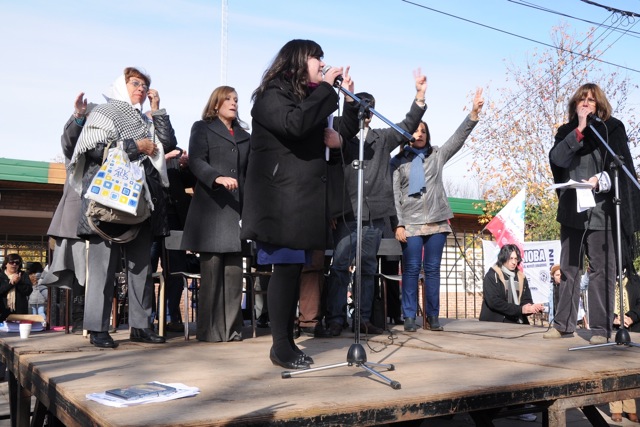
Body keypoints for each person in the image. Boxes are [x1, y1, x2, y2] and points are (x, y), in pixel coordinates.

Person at [241, 39, 359, 370]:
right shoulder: (271, 95)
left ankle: (287, 342)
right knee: (285, 269)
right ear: (296, 60)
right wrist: (326, 90)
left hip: (300, 201)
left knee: (295, 271)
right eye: (316, 57)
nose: (322, 63)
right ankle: (281, 345)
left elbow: (338, 133)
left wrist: (348, 101)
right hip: (278, 201)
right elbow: (295, 125)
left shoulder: (310, 98)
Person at [68, 67, 177, 348]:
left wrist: (157, 110)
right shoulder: (103, 113)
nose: (141, 88)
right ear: (121, 84)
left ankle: (140, 326)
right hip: (107, 203)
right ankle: (97, 328)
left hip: (140, 203)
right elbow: (93, 149)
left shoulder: (145, 120)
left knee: (141, 269)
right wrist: (135, 146)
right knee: (102, 269)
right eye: (135, 83)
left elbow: (167, 144)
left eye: (145, 85)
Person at [325, 71, 427, 337]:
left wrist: (419, 96)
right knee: (339, 266)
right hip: (347, 213)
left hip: (373, 215)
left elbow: (407, 125)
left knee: (368, 268)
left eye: (369, 108)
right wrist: (331, 209)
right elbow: (330, 175)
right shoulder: (341, 136)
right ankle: (335, 319)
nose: (366, 113)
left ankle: (363, 319)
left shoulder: (382, 138)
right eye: (363, 107)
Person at [546, 83, 640, 344]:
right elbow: (557, 159)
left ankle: (600, 328)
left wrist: (600, 179)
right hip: (572, 210)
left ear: (599, 105)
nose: (586, 103)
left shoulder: (612, 130)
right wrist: (579, 129)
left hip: (602, 211)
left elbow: (621, 167)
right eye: (581, 100)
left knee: (601, 270)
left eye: (591, 100)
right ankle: (563, 324)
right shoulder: (566, 132)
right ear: (575, 105)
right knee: (569, 268)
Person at [392, 88, 484, 332]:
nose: (419, 134)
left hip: (437, 221)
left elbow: (457, 138)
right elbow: (394, 195)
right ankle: (409, 316)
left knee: (433, 270)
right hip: (410, 223)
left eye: (423, 131)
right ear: (407, 134)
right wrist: (398, 223)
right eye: (415, 130)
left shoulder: (437, 155)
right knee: (411, 269)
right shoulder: (397, 162)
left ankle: (433, 316)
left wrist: (473, 114)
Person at [181, 86, 250, 342]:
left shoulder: (245, 136)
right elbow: (196, 161)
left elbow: (249, 173)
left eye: (236, 99)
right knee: (211, 275)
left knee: (234, 276)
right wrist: (216, 177)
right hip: (210, 212)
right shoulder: (202, 128)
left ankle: (232, 330)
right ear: (216, 103)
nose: (233, 103)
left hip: (237, 212)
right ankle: (210, 331)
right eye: (228, 99)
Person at [40, 92, 94, 334]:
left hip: (102, 220)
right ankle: (80, 320)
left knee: (96, 274)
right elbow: (69, 141)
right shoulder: (78, 147)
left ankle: (93, 321)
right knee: (79, 273)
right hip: (76, 220)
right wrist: (79, 116)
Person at [150, 145, 194, 332]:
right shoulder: (145, 148)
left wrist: (186, 167)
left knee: (176, 269)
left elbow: (189, 182)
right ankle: (147, 318)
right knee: (147, 269)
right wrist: (162, 159)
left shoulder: (177, 152)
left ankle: (169, 316)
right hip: (150, 218)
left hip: (175, 219)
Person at [479, 244, 545, 323]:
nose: (514, 262)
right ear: (503, 258)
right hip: (496, 323)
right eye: (511, 258)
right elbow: (494, 302)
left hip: (517, 322)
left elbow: (526, 300)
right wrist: (520, 309)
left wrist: (531, 308)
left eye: (516, 259)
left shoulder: (521, 277)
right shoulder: (493, 275)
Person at [608, 272, 640, 423]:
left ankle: (630, 407)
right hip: (612, 329)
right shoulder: (606, 278)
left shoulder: (635, 280)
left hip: (632, 327)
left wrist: (631, 316)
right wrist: (613, 318)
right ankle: (616, 408)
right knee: (613, 370)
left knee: (629, 370)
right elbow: (598, 303)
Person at [0, 254, 33, 321]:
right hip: (3, 310)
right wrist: (12, 284)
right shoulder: (1, 275)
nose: (14, 264)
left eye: (17, 263)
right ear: (6, 264)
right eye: (11, 262)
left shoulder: (23, 275)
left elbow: (28, 291)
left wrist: (18, 282)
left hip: (20, 311)